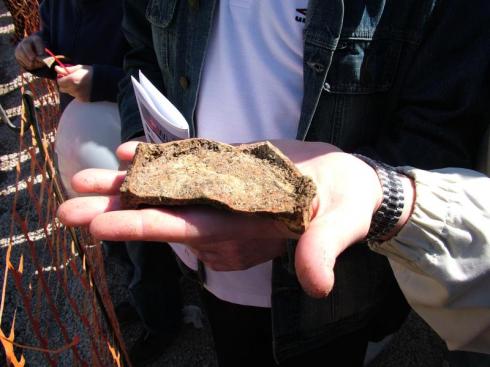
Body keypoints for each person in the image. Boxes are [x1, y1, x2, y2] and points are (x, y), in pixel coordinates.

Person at [76, 0, 489, 365]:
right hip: (199, 261)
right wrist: (143, 143)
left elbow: (442, 129)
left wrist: (301, 225)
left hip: (329, 297)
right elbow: (140, 53)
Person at [57, 141, 490, 355]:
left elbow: (436, 123)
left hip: (339, 299)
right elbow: (141, 51)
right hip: (212, 277)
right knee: (237, 347)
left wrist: (388, 192)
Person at [14, 1, 183, 365]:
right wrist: (37, 47)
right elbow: (56, 51)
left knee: (145, 245)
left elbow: (155, 71)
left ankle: (164, 320)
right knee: (110, 239)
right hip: (85, 143)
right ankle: (141, 301)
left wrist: (99, 81)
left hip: (126, 140)